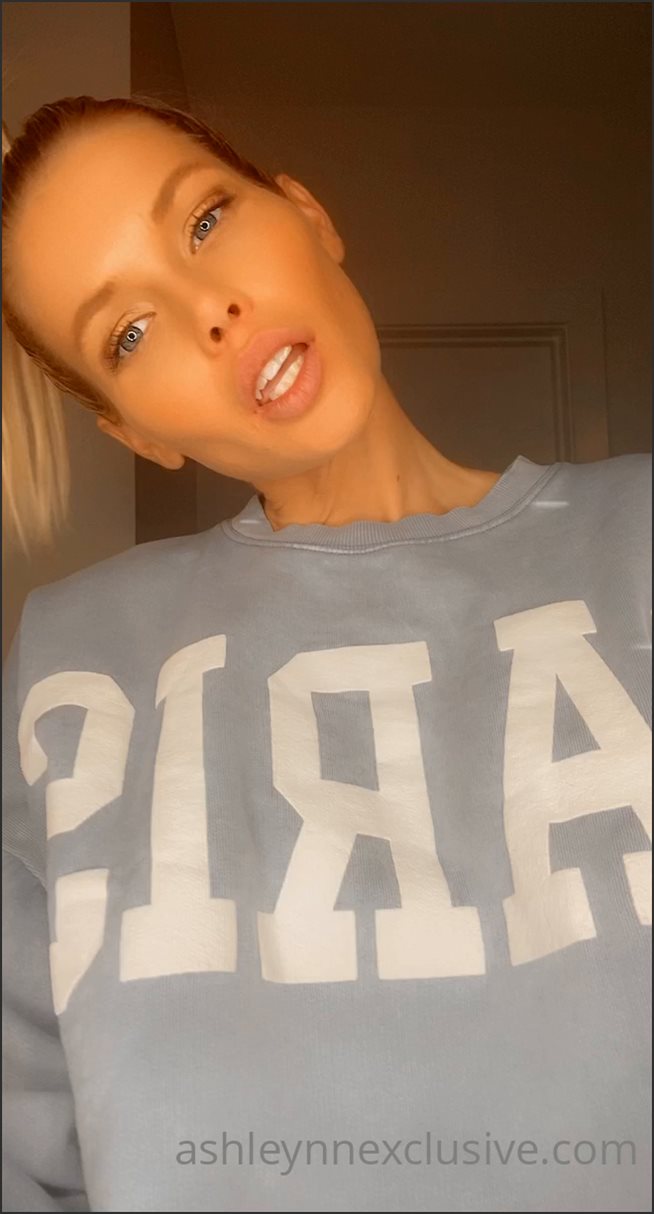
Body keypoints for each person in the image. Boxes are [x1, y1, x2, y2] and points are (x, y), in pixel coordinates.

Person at [1, 94, 651, 1214]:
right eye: (130, 333)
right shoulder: (69, 666)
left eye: (204, 221)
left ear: (307, 212)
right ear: (135, 432)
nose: (210, 312)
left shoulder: (638, 537)